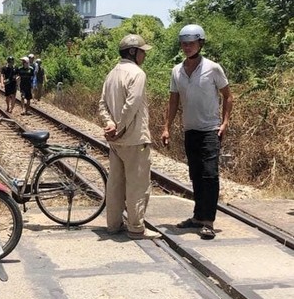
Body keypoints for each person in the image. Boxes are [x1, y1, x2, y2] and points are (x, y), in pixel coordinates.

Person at [161, 24, 233, 240]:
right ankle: (197, 216)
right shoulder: (177, 70)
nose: (187, 47)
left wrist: (225, 122)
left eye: (191, 43)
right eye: (184, 44)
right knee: (196, 175)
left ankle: (208, 221)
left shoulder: (213, 68)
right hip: (190, 129)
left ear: (200, 43)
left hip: (210, 130)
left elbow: (228, 96)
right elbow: (173, 101)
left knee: (210, 175)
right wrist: (166, 127)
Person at [99, 34, 160, 240]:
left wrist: (109, 125)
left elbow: (102, 104)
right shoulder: (137, 74)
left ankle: (113, 225)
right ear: (133, 52)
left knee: (115, 183)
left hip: (116, 141)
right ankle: (136, 228)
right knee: (137, 184)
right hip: (134, 138)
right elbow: (131, 106)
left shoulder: (112, 74)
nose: (144, 55)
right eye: (142, 51)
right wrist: (120, 128)